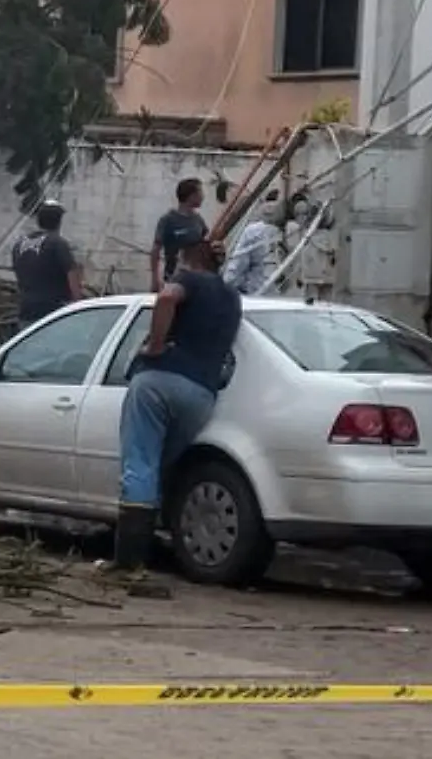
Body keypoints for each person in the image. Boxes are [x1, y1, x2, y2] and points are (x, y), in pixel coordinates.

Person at [113, 238, 241, 596]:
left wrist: (154, 345)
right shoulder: (232, 298)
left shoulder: (191, 280)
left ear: (187, 260)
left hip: (159, 382)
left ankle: (129, 563)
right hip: (202, 394)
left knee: (139, 463)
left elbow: (167, 297)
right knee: (161, 466)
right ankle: (151, 547)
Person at [9, 200, 83, 327]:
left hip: (26, 311)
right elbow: (72, 272)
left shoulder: (19, 244)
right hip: (53, 313)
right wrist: (78, 304)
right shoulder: (57, 243)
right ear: (59, 221)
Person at [150, 177, 208, 291]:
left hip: (197, 279)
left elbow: (205, 244)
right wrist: (155, 279)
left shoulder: (198, 220)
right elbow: (156, 250)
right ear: (191, 195)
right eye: (200, 192)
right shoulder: (168, 220)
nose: (203, 197)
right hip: (174, 279)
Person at [221, 192, 283, 296]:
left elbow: (239, 261)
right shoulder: (290, 231)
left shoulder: (253, 231)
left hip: (256, 291)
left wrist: (226, 286)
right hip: (279, 291)